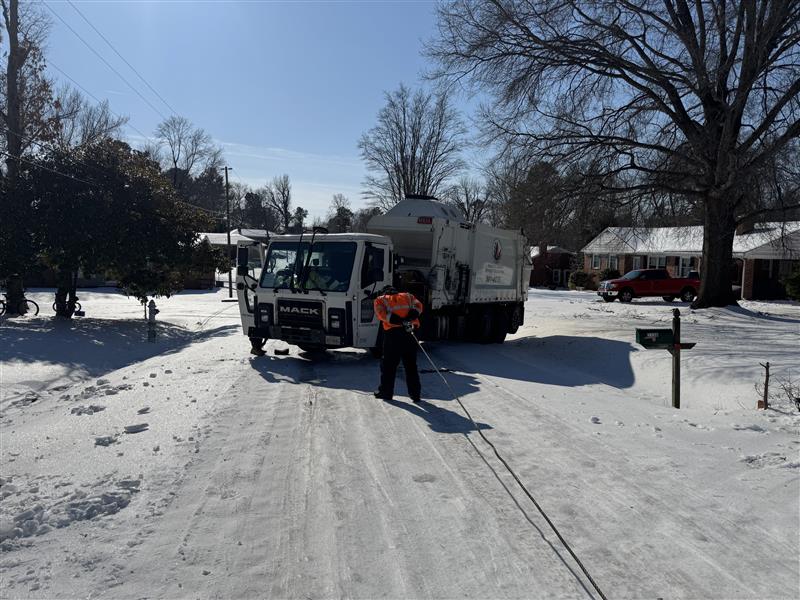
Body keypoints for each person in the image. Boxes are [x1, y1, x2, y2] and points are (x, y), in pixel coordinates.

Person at [373, 285, 424, 403]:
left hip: (393, 335)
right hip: (410, 333)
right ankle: (415, 395)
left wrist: (399, 321)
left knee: (389, 365)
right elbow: (419, 307)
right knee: (411, 365)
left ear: (384, 292)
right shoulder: (408, 296)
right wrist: (409, 318)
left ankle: (386, 392)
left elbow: (382, 315)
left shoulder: (380, 300)